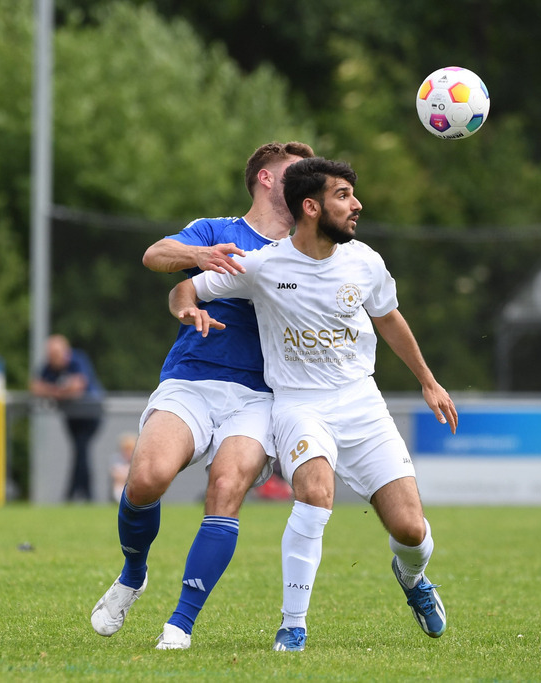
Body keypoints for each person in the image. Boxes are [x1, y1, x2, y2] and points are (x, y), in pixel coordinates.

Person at [172, 156, 458, 652]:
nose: (357, 205)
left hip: (361, 404)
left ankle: (413, 578)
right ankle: (293, 625)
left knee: (411, 530)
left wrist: (428, 382)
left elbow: (388, 317)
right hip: (299, 405)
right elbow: (185, 286)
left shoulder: (365, 261)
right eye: (343, 196)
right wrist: (185, 308)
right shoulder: (264, 264)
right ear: (310, 207)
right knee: (315, 492)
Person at [90, 141, 315, 651]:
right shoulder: (217, 230)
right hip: (192, 378)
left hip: (260, 396)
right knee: (146, 479)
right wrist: (197, 261)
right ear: (265, 178)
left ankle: (180, 625)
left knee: (225, 488)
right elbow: (155, 256)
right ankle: (133, 573)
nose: (307, 180)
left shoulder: (307, 248)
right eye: (296, 171)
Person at [29, 334, 105, 502]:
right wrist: (62, 391)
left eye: (55, 355)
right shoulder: (49, 366)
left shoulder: (78, 359)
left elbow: (78, 386)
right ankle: (83, 494)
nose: (52, 359)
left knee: (81, 450)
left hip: (91, 414)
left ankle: (75, 494)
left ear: (65, 352)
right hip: (72, 416)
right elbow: (35, 387)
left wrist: (53, 392)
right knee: (80, 452)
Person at [110, 433, 137, 504]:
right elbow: (116, 475)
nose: (128, 453)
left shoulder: (137, 460)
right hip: (121, 486)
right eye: (126, 450)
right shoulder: (117, 459)